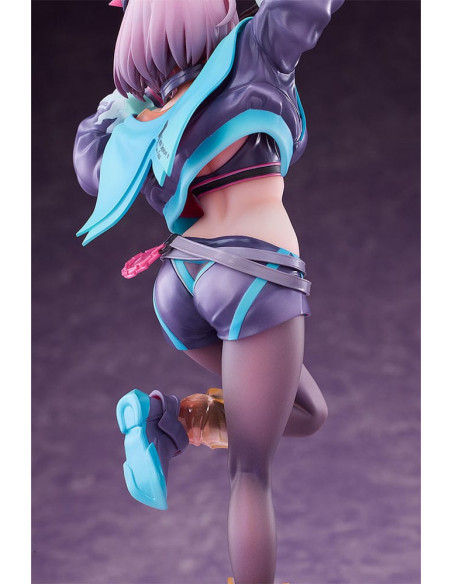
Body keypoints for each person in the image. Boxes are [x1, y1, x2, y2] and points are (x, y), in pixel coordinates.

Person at [74, 1, 345, 582]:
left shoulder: (141, 121)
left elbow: (91, 169)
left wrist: (117, 106)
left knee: (308, 413)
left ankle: (171, 423)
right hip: (254, 275)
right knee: (250, 472)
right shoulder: (254, 52)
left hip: (180, 282)